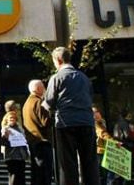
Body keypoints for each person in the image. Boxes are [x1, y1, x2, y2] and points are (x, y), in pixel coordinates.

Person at [43, 47, 99, 185]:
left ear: (58, 60)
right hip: (87, 122)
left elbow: (49, 102)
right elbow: (90, 97)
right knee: (90, 163)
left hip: (66, 123)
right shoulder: (84, 77)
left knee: (67, 164)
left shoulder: (56, 77)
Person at [23, 79, 53, 185]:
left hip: (33, 141)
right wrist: (53, 114)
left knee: (36, 173)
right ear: (38, 89)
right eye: (43, 87)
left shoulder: (27, 103)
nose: (45, 89)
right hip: (42, 141)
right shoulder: (38, 102)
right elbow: (46, 122)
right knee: (44, 174)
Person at [1, 110, 28, 185]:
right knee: (13, 178)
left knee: (21, 179)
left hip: (21, 157)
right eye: (10, 118)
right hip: (11, 157)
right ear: (7, 120)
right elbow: (3, 143)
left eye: (14, 118)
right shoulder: (5, 129)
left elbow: (24, 142)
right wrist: (5, 137)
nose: (12, 119)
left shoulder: (20, 129)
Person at [93, 106, 118, 185]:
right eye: (95, 112)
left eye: (98, 112)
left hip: (102, 150)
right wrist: (114, 142)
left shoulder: (101, 123)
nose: (97, 114)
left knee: (106, 173)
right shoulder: (95, 124)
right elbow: (102, 134)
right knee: (106, 173)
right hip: (100, 151)